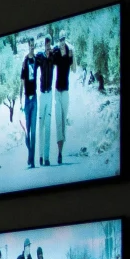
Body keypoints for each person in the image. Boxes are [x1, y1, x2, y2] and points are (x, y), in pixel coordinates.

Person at [50, 37, 72, 166]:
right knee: (58, 120)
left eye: (63, 40)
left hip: (66, 91)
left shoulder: (69, 52)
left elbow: (73, 66)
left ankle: (61, 151)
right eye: (60, 40)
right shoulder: (57, 53)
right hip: (58, 91)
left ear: (65, 41)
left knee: (63, 121)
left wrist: (71, 54)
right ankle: (59, 153)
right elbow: (51, 62)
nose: (62, 42)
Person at [18, 40, 39, 171]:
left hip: (35, 99)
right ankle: (30, 155)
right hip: (26, 99)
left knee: (34, 131)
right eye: (30, 46)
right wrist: (20, 100)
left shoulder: (36, 60)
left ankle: (32, 160)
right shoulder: (25, 63)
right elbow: (21, 83)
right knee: (27, 132)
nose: (32, 48)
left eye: (33, 46)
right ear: (28, 47)